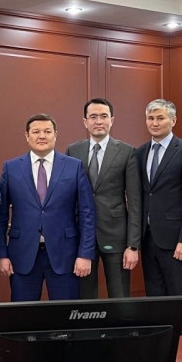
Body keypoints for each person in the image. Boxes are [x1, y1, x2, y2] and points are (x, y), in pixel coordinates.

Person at [0, 113, 96, 301]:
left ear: (55, 135)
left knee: (66, 313)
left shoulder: (74, 167)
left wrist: (85, 254)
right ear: (27, 136)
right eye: (36, 132)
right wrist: (0, 254)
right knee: (23, 314)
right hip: (22, 255)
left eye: (47, 131)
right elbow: (0, 215)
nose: (42, 136)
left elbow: (87, 213)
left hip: (66, 255)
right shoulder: (11, 168)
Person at [135, 99, 182, 334]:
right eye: (150, 118)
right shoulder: (140, 152)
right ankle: (161, 347)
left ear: (173, 120)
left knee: (179, 301)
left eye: (160, 118)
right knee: (156, 301)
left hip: (176, 243)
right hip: (148, 239)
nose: (155, 123)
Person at [65, 98, 142, 298]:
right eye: (93, 117)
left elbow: (135, 202)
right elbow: (67, 198)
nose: (98, 121)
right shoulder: (73, 151)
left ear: (112, 120)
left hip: (116, 236)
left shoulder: (127, 151)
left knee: (119, 296)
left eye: (103, 116)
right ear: (85, 122)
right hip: (81, 236)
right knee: (85, 297)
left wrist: (133, 245)